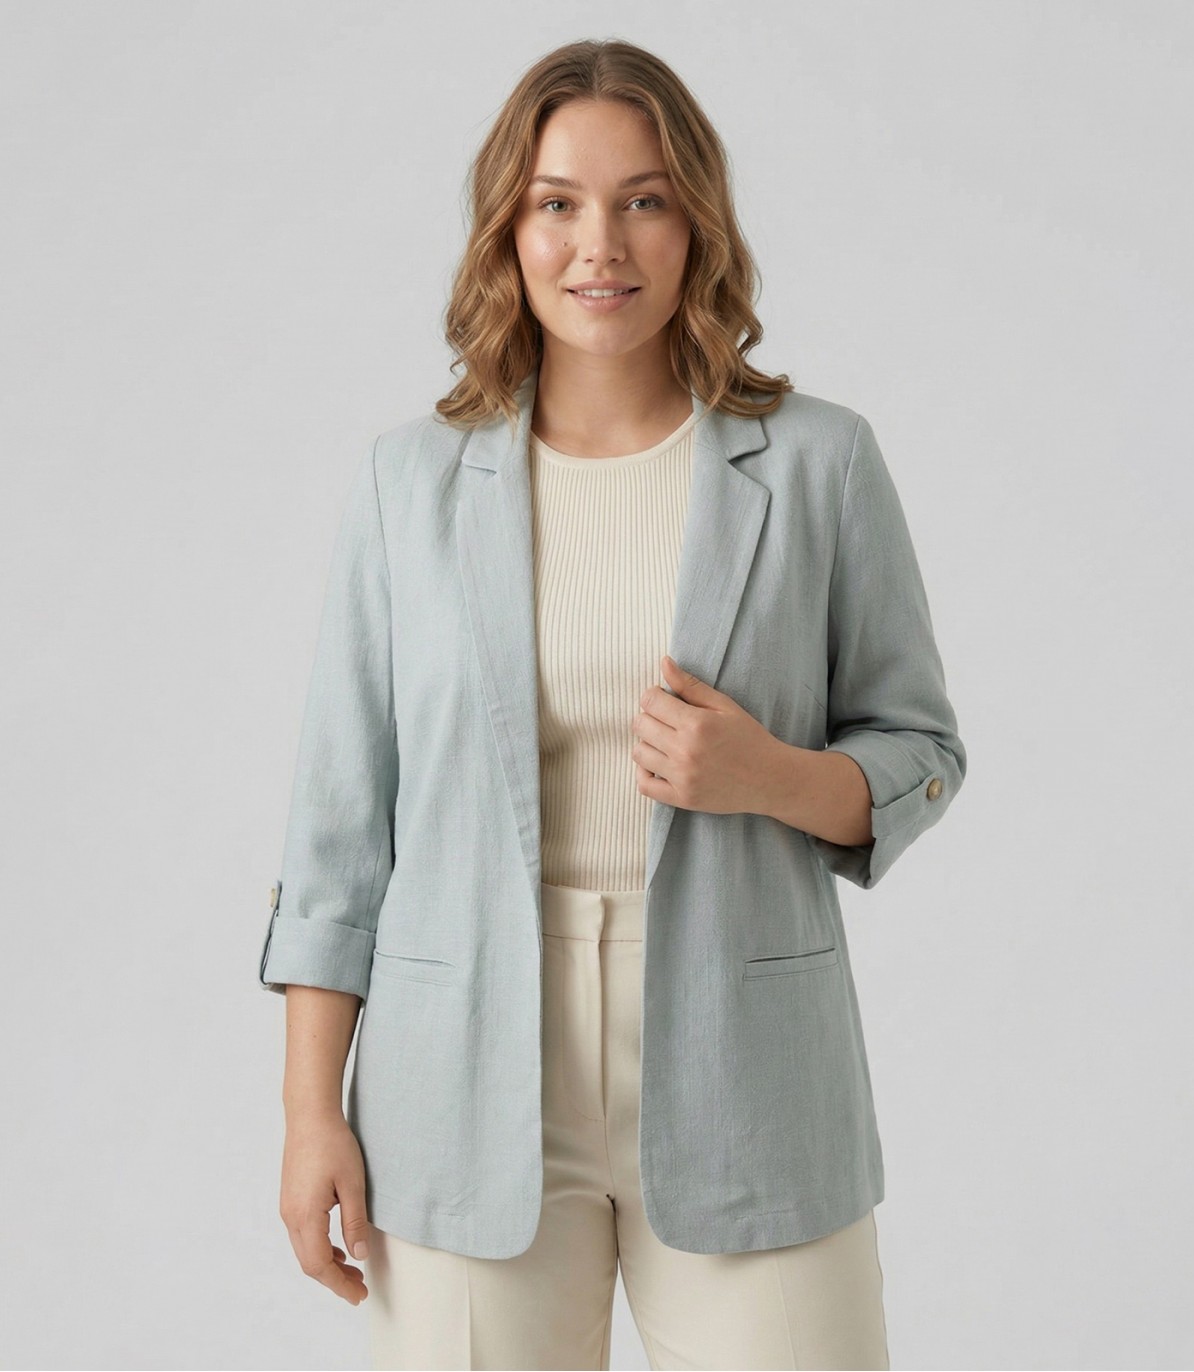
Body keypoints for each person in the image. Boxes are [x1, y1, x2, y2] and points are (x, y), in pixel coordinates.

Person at [259, 37, 966, 1372]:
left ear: (697, 223)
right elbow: (339, 838)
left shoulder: (818, 464)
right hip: (459, 1075)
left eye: (644, 200)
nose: (602, 244)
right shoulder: (407, 488)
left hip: (750, 1066)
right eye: (558, 203)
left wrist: (768, 774)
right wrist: (311, 1116)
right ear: (507, 230)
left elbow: (920, 749)